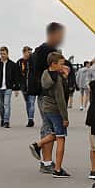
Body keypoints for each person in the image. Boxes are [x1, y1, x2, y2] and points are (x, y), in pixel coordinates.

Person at [34, 46, 72, 176]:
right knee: (61, 138)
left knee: (53, 133)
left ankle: (38, 145)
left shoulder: (46, 74)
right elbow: (61, 98)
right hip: (56, 110)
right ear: (54, 64)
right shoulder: (57, 79)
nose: (64, 66)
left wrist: (64, 76)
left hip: (47, 108)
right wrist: (65, 117)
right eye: (61, 64)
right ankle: (57, 169)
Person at [20, 45, 38, 128]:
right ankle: (29, 118)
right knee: (27, 103)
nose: (29, 54)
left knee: (31, 103)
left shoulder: (34, 61)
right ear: (24, 52)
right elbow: (18, 74)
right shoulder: (20, 62)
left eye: (30, 52)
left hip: (32, 86)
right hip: (24, 86)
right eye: (28, 52)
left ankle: (31, 119)